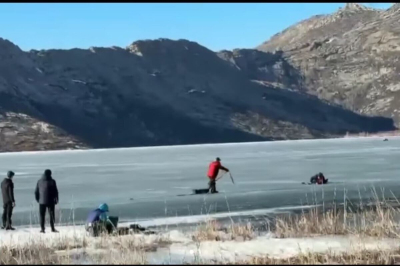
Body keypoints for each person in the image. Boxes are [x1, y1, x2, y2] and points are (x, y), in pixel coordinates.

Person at [34, 169, 59, 233]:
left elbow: (36, 192)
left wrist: (38, 199)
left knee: (42, 215)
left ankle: (42, 229)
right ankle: (52, 228)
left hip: (41, 201)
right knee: (51, 215)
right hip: (51, 201)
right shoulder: (52, 181)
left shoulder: (39, 181)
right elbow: (55, 191)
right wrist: (56, 199)